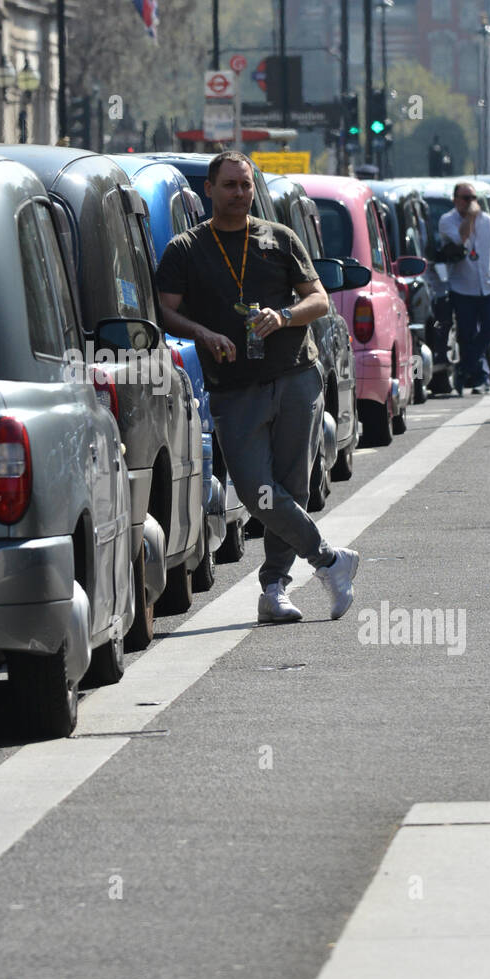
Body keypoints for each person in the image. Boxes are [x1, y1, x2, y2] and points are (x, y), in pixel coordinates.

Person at [156, 150, 360, 624]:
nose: (240, 193)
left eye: (246, 184)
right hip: (233, 385)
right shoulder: (186, 249)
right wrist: (202, 333)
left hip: (295, 375)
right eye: (230, 185)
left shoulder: (280, 238)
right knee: (255, 491)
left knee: (291, 486)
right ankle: (329, 559)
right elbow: (165, 310)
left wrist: (283, 315)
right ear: (209, 191)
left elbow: (320, 301)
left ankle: (274, 587)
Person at [438, 182, 490, 394]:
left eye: (473, 198)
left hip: (488, 287)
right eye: (466, 198)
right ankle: (481, 378)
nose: (470, 202)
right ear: (455, 199)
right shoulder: (447, 221)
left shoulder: (489, 221)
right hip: (463, 287)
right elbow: (462, 238)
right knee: (466, 334)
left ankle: (463, 368)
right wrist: (470, 217)